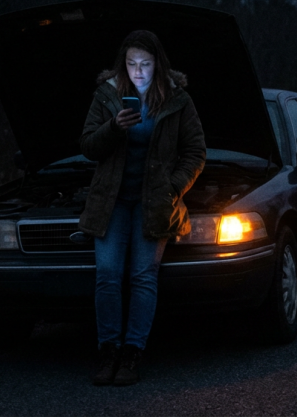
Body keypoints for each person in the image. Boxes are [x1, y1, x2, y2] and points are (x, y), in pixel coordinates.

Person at [78, 30, 205, 386]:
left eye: (145, 64)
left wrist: (174, 187)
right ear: (123, 63)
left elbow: (195, 151)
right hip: (112, 201)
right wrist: (114, 128)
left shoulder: (178, 100)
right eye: (132, 63)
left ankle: (133, 354)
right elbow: (88, 145)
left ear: (157, 64)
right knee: (107, 275)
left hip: (155, 203)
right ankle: (108, 353)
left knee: (143, 276)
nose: (139, 70)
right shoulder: (107, 95)